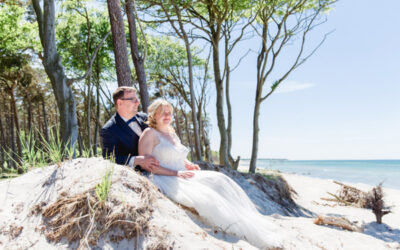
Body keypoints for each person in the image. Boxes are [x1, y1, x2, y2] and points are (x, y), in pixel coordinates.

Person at [138, 99, 282, 249]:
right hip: (166, 177)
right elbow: (148, 167)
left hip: (182, 173)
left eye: (169, 113)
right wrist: (176, 173)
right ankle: (233, 226)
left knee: (220, 179)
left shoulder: (172, 133)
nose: (167, 116)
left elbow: (178, 156)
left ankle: (246, 221)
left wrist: (188, 164)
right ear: (154, 115)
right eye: (163, 113)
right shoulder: (149, 134)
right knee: (207, 195)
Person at [100, 87, 160, 172]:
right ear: (120, 103)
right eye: (132, 99)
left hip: (162, 167)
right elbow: (109, 158)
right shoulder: (109, 129)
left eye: (137, 99)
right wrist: (136, 160)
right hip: (138, 174)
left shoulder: (144, 117)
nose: (138, 102)